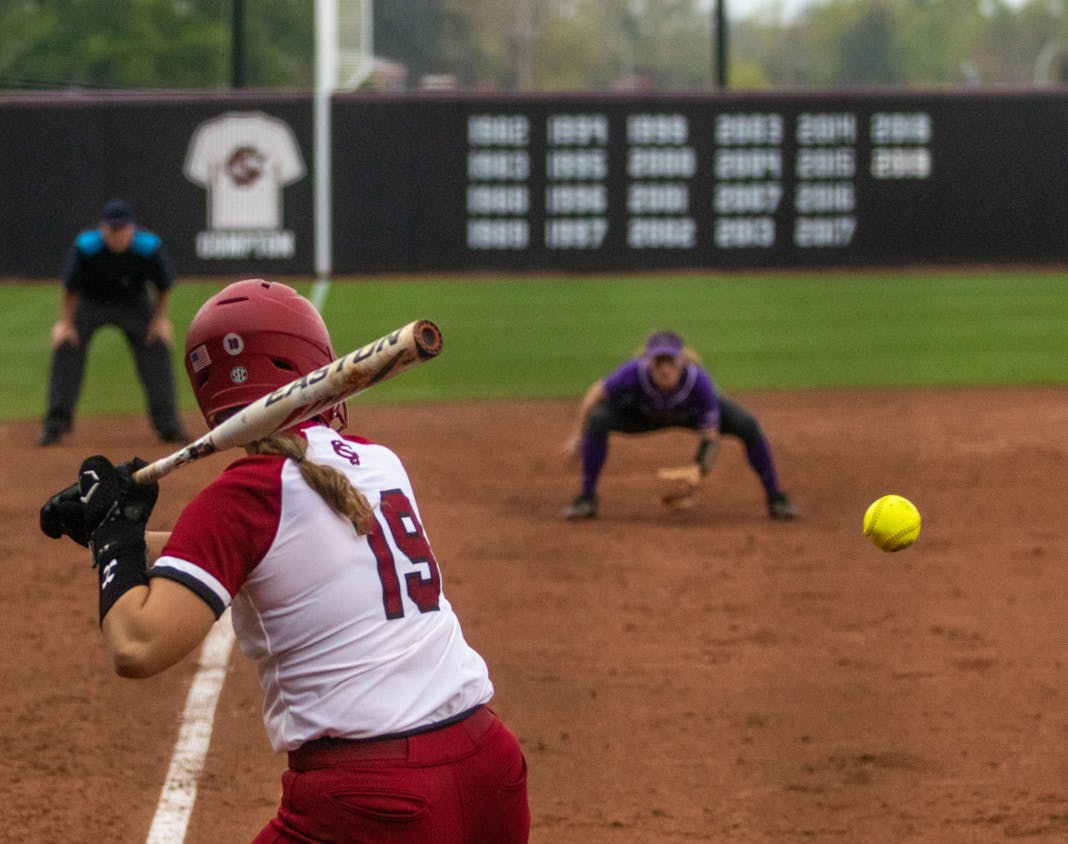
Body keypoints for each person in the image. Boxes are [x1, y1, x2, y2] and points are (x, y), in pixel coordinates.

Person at [39, 279, 531, 843]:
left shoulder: (245, 496)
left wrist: (114, 547)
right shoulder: (376, 462)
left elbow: (137, 644)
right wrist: (121, 538)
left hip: (372, 803)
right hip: (491, 770)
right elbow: (272, 552)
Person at [560, 329, 798, 521]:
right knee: (599, 419)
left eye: (670, 362)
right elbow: (594, 394)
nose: (665, 369)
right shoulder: (633, 372)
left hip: (689, 415)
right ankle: (587, 498)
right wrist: (577, 438)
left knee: (748, 425)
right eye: (659, 362)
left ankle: (775, 498)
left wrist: (697, 473)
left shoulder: (698, 381)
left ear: (681, 361)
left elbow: (710, 436)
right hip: (642, 415)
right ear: (649, 362)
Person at [39, 199, 190, 446]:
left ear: (132, 229)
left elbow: (164, 287)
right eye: (112, 230)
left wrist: (159, 320)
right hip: (91, 302)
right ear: (103, 229)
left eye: (122, 229)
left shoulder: (148, 246)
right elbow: (70, 288)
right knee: (66, 346)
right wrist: (66, 324)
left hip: (134, 303)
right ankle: (54, 426)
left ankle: (169, 426)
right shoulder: (86, 246)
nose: (117, 235)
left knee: (157, 346)